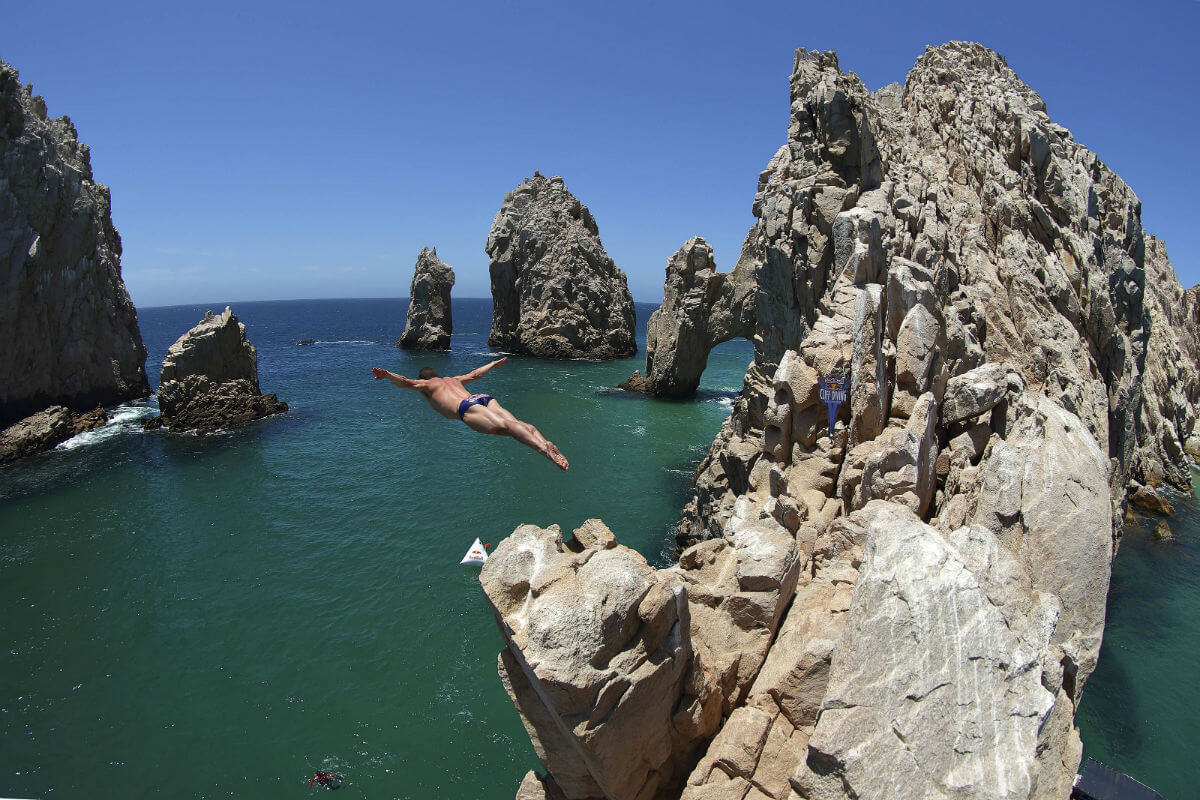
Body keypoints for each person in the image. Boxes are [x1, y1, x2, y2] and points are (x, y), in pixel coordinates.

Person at [371, 358, 568, 470]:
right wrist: (492, 364)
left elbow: (405, 381)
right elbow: (475, 374)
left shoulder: (427, 385)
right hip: (482, 397)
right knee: (518, 424)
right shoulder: (453, 379)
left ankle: (544, 451)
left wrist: (387, 374)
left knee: (506, 428)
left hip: (466, 406)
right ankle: (544, 442)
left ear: (424, 378)